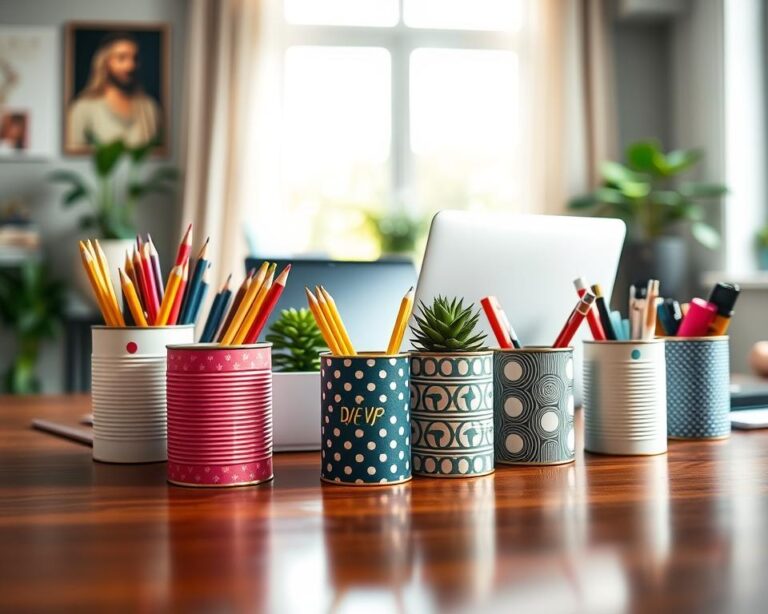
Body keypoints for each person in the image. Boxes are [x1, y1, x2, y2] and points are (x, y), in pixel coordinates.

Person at [66, 32, 161, 150]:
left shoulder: (149, 108)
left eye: (135, 58)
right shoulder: (83, 107)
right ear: (104, 62)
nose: (130, 66)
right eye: (121, 58)